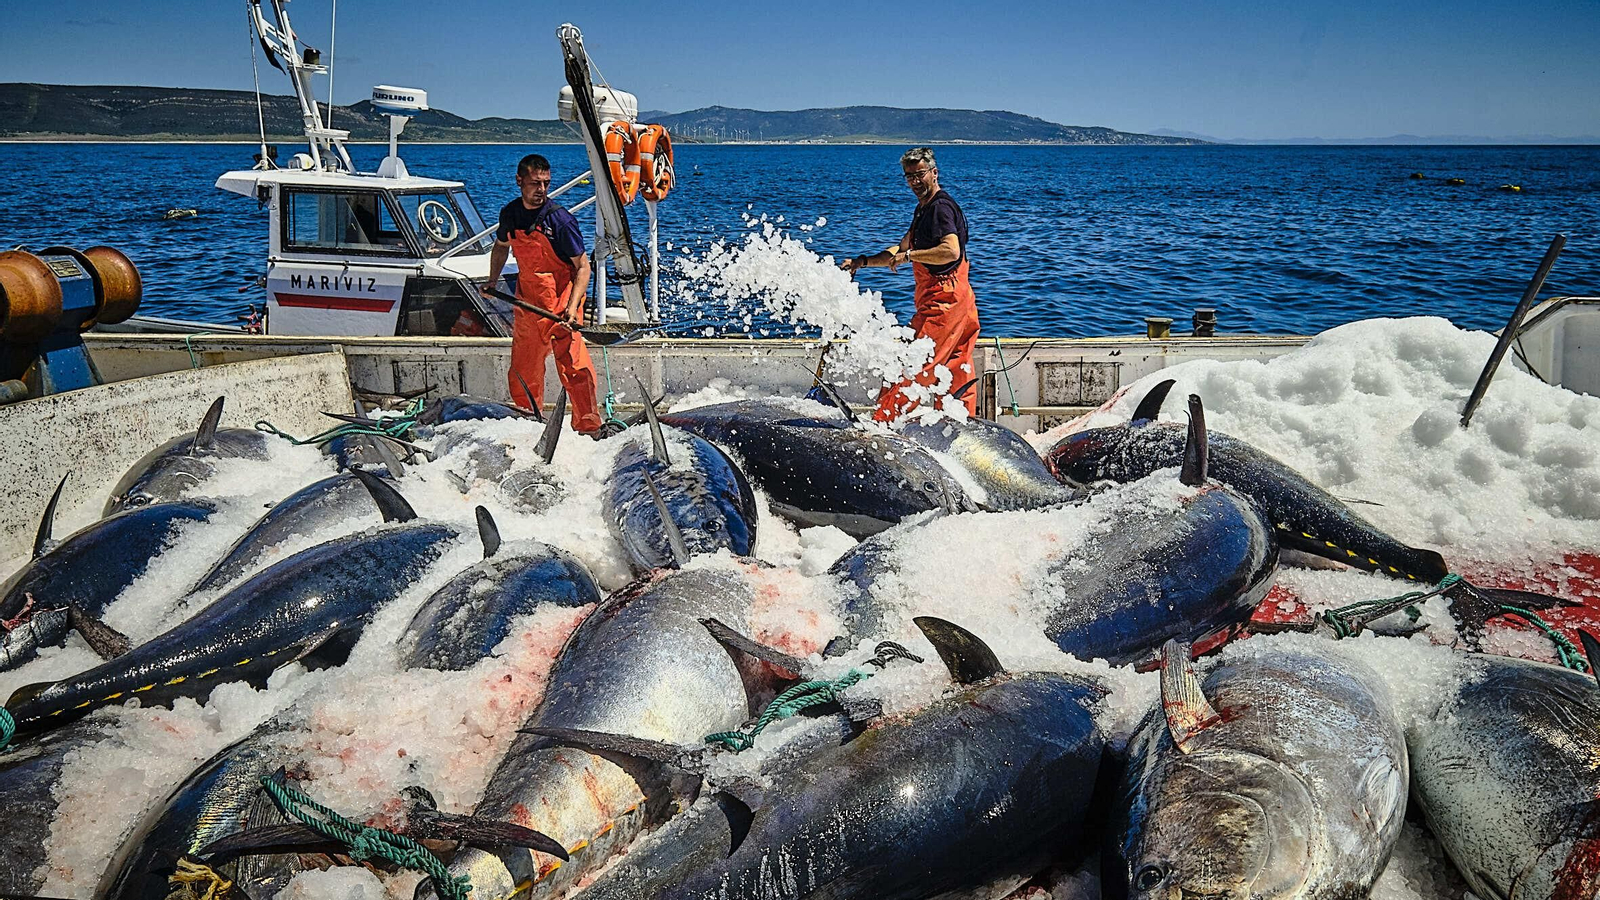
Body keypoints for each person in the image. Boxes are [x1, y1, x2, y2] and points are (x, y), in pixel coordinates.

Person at [841, 147, 981, 422]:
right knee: (956, 369)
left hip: (945, 302)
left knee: (912, 366)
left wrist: (910, 256)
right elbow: (900, 249)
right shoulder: (924, 209)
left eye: (920, 175)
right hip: (956, 299)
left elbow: (950, 251)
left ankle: (884, 426)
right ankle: (961, 429)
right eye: (909, 177)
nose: (915, 182)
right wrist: (863, 262)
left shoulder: (940, 207)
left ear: (934, 173)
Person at [482, 154, 603, 433]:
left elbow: (583, 267)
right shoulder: (510, 214)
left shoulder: (560, 221)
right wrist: (492, 280)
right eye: (535, 183)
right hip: (528, 303)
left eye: (546, 184)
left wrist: (572, 308)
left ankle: (589, 427)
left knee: (575, 368)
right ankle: (530, 425)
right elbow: (501, 247)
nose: (541, 190)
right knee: (524, 371)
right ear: (519, 181)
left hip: (563, 302)